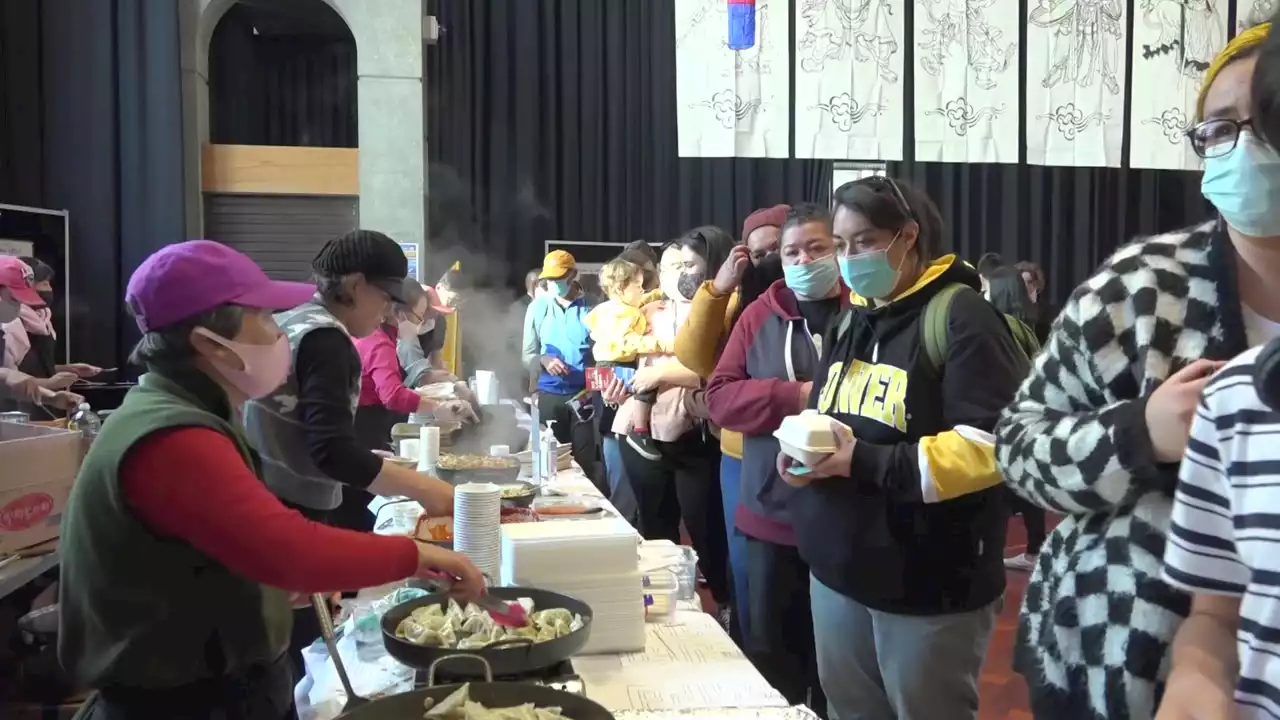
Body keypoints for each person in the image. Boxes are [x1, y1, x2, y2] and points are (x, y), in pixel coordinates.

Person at [57, 240, 482, 719]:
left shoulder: (182, 412)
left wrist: (259, 585)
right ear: (208, 342)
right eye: (261, 316)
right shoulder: (174, 436)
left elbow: (202, 553)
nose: (278, 331)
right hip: (185, 702)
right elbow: (291, 549)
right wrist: (420, 554)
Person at [995, 25, 1269, 720]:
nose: (1244, 146)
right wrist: (1137, 434)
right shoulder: (1142, 288)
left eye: (1267, 121)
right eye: (1219, 128)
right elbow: (1018, 447)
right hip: (1113, 663)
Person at [779, 177, 1026, 720]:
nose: (848, 258)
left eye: (864, 241)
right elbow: (826, 413)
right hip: (839, 570)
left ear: (908, 236)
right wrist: (801, 453)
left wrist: (862, 461)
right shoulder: (850, 319)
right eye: (840, 245)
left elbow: (990, 448)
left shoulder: (961, 317)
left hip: (928, 583)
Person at [242, 229, 459, 675]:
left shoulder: (292, 321)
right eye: (385, 296)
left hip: (263, 494)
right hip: (291, 504)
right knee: (294, 653)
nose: (388, 310)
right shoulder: (327, 340)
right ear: (356, 285)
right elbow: (331, 451)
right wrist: (425, 488)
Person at [705, 203, 847, 712]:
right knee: (773, 660)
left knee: (838, 668)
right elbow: (719, 397)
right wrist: (796, 395)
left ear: (841, 248)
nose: (804, 261)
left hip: (849, 517)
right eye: (792, 253)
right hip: (771, 514)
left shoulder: (871, 309)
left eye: (817, 248)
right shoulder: (758, 315)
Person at [672, 206, 788, 644]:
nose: (772, 261)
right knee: (748, 571)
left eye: (781, 249)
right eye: (759, 254)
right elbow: (694, 357)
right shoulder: (740, 307)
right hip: (741, 456)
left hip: (814, 457)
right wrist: (718, 289)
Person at [613, 228, 733, 623]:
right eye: (670, 266)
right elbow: (630, 364)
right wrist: (621, 381)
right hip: (641, 434)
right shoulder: (647, 313)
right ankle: (664, 616)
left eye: (688, 265)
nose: (678, 274)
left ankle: (725, 610)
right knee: (655, 529)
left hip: (696, 437)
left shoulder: (728, 308)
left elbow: (713, 369)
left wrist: (656, 375)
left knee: (707, 531)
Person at [347, 279, 476, 530]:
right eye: (419, 316)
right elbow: (392, 394)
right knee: (360, 510)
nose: (421, 323)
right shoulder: (378, 341)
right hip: (363, 427)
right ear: (398, 312)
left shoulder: (383, 337)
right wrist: (439, 407)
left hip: (365, 425)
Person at [982, 266, 1050, 571]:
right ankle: (1034, 550)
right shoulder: (1024, 325)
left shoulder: (1001, 327)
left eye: (985, 290)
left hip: (1007, 422)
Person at [522, 249, 599, 485]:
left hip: (583, 398)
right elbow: (527, 355)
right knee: (548, 463)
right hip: (549, 397)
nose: (554, 284)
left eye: (559, 278)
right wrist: (543, 361)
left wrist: (593, 390)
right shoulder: (538, 308)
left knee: (585, 464)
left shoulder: (593, 307)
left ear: (573, 275)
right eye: (550, 280)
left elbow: (604, 356)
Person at [586, 257, 667, 460]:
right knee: (646, 386)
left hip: (607, 364)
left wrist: (659, 293)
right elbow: (627, 342)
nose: (643, 290)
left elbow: (644, 300)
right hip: (617, 364)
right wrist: (659, 344)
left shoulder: (612, 309)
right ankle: (640, 431)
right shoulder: (622, 315)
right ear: (621, 288)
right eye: (638, 286)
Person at [2, 257, 102, 391]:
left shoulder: (43, 320)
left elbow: (28, 370)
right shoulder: (11, 327)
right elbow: (6, 383)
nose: (49, 289)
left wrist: (65, 371)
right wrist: (48, 385)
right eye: (44, 284)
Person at [399, 282, 458, 389]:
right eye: (423, 313)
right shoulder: (404, 334)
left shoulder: (439, 324)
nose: (432, 317)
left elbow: (435, 359)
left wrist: (445, 377)